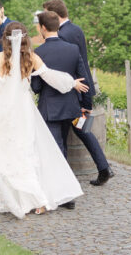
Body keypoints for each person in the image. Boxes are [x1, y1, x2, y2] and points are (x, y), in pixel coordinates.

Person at [0, 23, 86, 218]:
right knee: (28, 150)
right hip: (25, 109)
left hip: (7, 110)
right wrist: (72, 82)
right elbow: (50, 76)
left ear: (5, 38)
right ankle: (38, 199)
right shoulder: (31, 57)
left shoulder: (0, 58)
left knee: (8, 150)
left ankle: (17, 196)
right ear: (25, 38)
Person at [43, 0, 113, 186]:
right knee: (83, 130)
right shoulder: (77, 30)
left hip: (71, 93)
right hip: (82, 90)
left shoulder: (62, 35)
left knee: (65, 135)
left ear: (55, 16)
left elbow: (65, 70)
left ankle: (65, 180)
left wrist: (82, 101)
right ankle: (103, 167)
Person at [30, 11, 91, 209]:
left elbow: (36, 87)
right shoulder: (73, 49)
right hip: (70, 107)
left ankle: (64, 195)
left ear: (43, 28)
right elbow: (84, 80)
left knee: (55, 150)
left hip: (50, 108)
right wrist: (85, 104)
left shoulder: (39, 53)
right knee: (61, 147)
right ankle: (64, 193)